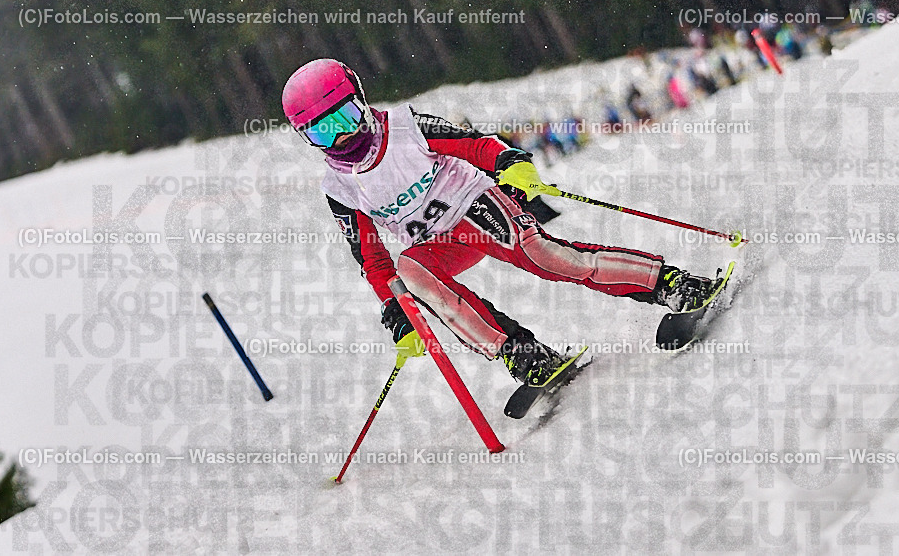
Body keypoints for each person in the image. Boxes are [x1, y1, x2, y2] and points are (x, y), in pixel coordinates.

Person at [281, 59, 721, 386]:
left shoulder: (405, 127)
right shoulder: (338, 187)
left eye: (345, 118)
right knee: (409, 272)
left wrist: (508, 161)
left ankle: (670, 283)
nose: (342, 137)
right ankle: (524, 354)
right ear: (307, 139)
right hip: (438, 244)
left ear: (360, 100)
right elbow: (372, 257)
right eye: (323, 132)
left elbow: (472, 144)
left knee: (549, 259)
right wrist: (394, 310)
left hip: (475, 206)